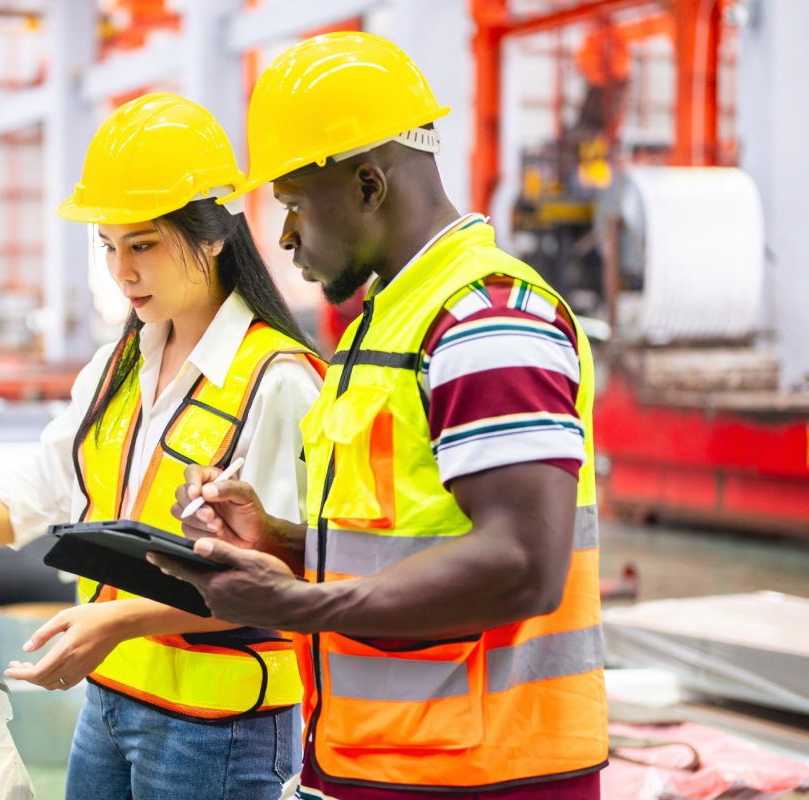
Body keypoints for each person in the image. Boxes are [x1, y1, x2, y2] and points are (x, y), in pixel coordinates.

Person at [0, 93, 325, 800]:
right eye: (108, 245)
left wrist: (121, 618)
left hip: (219, 724)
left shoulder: (277, 381)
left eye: (143, 244)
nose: (121, 271)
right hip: (108, 698)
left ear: (216, 234)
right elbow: (30, 496)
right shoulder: (118, 369)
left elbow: (292, 582)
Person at [152, 34, 607, 800]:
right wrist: (280, 543)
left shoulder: (483, 320)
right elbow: (407, 548)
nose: (285, 234)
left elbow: (522, 563)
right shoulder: (386, 324)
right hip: (389, 766)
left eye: (293, 201)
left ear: (368, 184)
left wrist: (297, 603)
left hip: (487, 776)